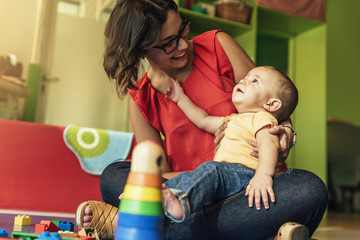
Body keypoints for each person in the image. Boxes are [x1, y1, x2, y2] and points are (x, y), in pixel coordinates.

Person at [75, 1, 328, 239]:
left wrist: (286, 133)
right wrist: (205, 181)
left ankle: (150, 228)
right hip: (185, 192)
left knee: (310, 189)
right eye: (169, 43)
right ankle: (259, 231)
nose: (183, 45)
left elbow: (273, 98)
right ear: (140, 51)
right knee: (114, 176)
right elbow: (156, 175)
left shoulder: (219, 45)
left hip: (250, 187)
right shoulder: (142, 100)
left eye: (182, 31)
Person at [162, 66, 298, 222]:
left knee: (210, 169)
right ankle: (149, 196)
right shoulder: (232, 119)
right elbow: (203, 120)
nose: (244, 80)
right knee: (189, 176)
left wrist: (263, 174)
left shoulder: (263, 118)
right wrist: (180, 98)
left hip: (248, 175)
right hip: (227, 176)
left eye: (255, 81)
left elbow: (269, 144)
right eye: (246, 76)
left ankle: (178, 204)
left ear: (271, 104)